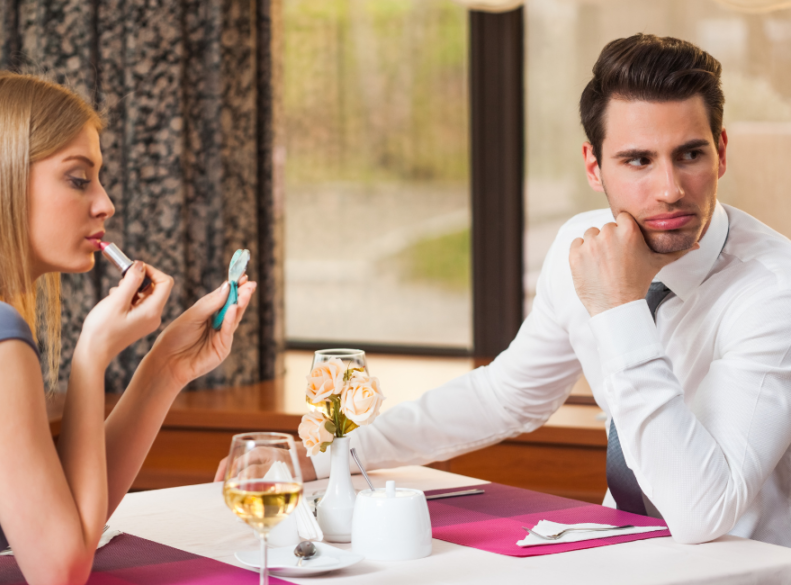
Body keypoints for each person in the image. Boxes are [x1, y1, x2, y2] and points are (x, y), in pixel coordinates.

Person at [304, 34, 791, 547]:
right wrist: (332, 453)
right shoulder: (578, 248)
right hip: (624, 552)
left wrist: (620, 307)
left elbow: (702, 514)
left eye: (689, 154)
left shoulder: (772, 290)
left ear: (720, 152)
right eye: (638, 161)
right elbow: (507, 396)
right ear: (593, 166)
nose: (669, 188)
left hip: (748, 579)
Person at [0, 71, 256, 585]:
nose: (105, 204)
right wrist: (91, 357)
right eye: (78, 179)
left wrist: (163, 368)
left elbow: (66, 517)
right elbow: (60, 566)